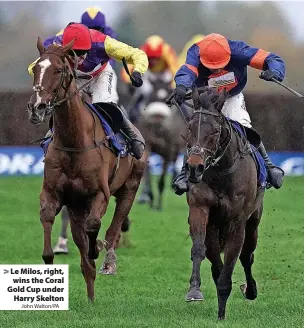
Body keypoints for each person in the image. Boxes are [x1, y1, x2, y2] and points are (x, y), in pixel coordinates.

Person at [169, 33, 285, 195]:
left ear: (228, 55)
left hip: (231, 97)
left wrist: (274, 71)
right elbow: (187, 71)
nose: (216, 68)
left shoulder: (239, 50)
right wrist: (181, 85)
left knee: (244, 126)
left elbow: (272, 59)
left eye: (219, 64)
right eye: (211, 65)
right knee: (198, 132)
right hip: (206, 98)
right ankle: (183, 174)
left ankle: (268, 166)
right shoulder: (195, 52)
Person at [121, 35, 179, 122]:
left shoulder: (167, 51)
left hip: (165, 74)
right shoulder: (142, 51)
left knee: (178, 94)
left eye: (156, 58)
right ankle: (131, 116)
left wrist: (175, 85)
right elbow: (127, 68)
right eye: (151, 58)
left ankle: (185, 116)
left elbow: (176, 69)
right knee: (141, 91)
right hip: (148, 72)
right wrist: (129, 82)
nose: (154, 61)